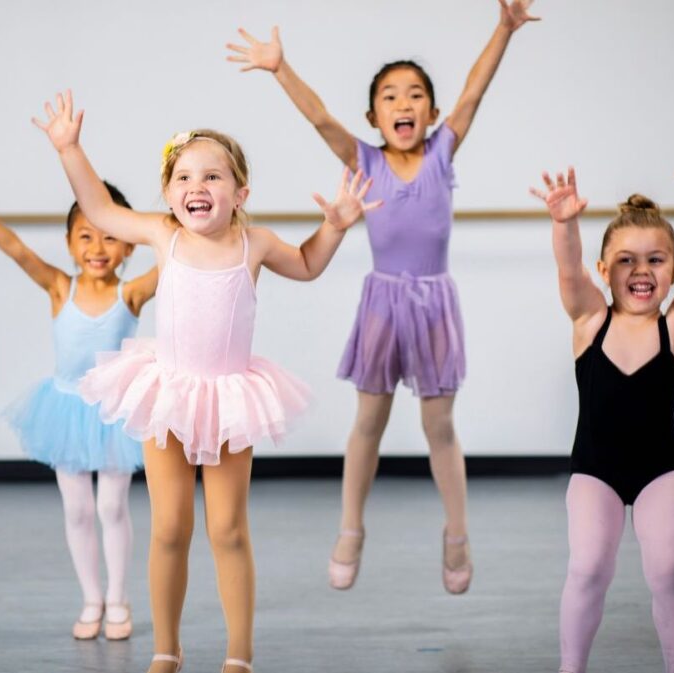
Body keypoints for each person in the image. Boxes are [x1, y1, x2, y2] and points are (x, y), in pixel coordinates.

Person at [37, 90, 380, 673]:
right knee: (170, 526)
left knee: (228, 528)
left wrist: (336, 226)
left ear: (240, 192)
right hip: (168, 394)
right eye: (185, 176)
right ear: (170, 193)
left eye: (213, 176)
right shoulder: (163, 236)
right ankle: (166, 649)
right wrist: (71, 149)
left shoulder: (255, 243)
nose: (198, 186)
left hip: (228, 400)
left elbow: (308, 264)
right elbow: (98, 209)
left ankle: (238, 655)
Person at [225, 0, 540, 592]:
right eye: (391, 95)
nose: (404, 103)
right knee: (367, 422)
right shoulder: (364, 160)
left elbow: (474, 92)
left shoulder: (442, 153)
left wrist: (503, 29)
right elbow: (320, 118)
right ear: (373, 116)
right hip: (382, 304)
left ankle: (456, 534)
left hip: (435, 303)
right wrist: (279, 67)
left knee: (439, 427)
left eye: (415, 93)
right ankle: (351, 529)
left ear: (433, 113)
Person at [531, 138, 674, 673]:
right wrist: (564, 224)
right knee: (588, 567)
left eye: (655, 260)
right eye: (626, 261)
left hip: (661, 470)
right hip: (596, 471)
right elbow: (570, 276)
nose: (641, 271)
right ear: (604, 268)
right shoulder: (590, 321)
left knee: (670, 572)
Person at [0, 177, 157, 641]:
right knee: (78, 512)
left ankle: (118, 598)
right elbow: (19, 252)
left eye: (111, 236)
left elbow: (176, 261)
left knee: (112, 507)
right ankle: (91, 598)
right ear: (69, 243)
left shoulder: (129, 294)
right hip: (65, 412)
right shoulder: (58, 287)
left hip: (113, 414)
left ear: (130, 247)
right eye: (85, 236)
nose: (97, 247)